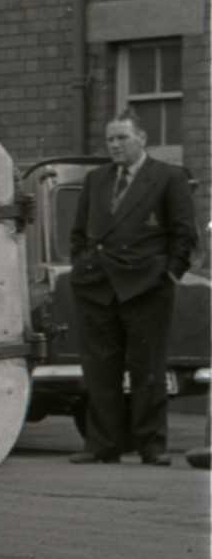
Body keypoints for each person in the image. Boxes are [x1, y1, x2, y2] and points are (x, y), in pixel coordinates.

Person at [66, 114, 197, 466]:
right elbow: (78, 233)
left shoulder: (168, 177)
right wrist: (81, 265)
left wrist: (169, 275)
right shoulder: (96, 180)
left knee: (148, 368)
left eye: (122, 138)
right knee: (99, 367)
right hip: (97, 286)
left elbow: (184, 233)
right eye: (110, 139)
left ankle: (151, 446)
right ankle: (102, 445)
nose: (115, 145)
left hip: (146, 286)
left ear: (141, 138)